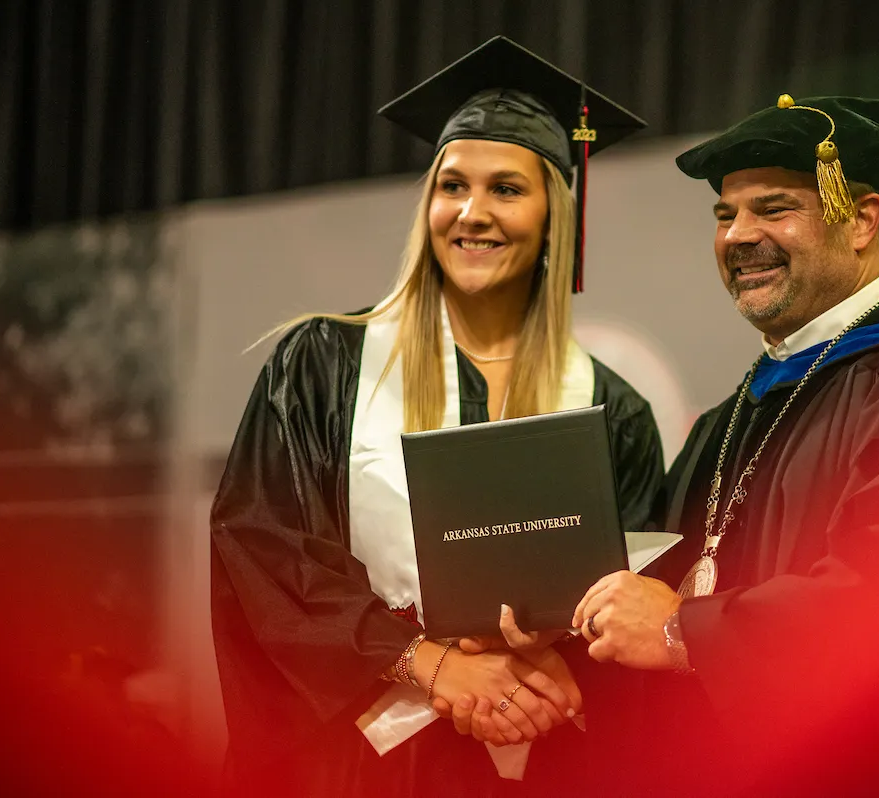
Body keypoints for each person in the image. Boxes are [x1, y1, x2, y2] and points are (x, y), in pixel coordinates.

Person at [557, 94, 879, 792]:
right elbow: (650, 624)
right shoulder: (722, 425)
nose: (738, 235)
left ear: (859, 219)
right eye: (724, 215)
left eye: (772, 208)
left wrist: (686, 631)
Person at [209, 36, 664, 797]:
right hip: (360, 764)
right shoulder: (327, 363)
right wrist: (434, 665)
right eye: (452, 186)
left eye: (507, 189)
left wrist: (532, 677)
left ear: (557, 211)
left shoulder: (610, 408)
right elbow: (264, 551)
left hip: (540, 761)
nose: (472, 213)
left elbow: (633, 594)